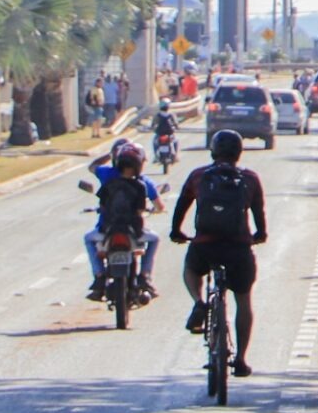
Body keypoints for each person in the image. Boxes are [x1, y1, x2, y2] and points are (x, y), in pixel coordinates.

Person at [170, 129, 267, 378]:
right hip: (238, 248)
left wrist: (176, 232)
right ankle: (242, 360)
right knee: (243, 299)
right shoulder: (250, 178)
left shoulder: (199, 176)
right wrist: (260, 235)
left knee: (191, 269)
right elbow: (259, 215)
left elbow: (182, 205)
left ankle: (199, 302)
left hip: (205, 245)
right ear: (239, 153)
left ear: (213, 151)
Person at [83, 138, 164, 300]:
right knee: (154, 239)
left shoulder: (107, 178)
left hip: (107, 229)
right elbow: (156, 207)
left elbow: (93, 172)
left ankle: (99, 276)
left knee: (88, 238)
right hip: (134, 230)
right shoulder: (143, 183)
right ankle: (145, 276)